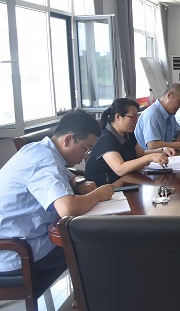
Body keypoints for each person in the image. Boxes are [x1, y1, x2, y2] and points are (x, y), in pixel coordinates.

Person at [0, 109, 115, 276]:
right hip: (15, 252)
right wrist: (98, 194)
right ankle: (90, 293)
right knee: (95, 246)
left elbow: (67, 174)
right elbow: (68, 209)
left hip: (20, 238)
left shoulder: (38, 149)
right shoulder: (45, 163)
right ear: (67, 139)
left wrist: (78, 183)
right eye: (86, 148)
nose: (85, 156)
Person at [85, 98, 176, 186]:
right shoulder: (106, 138)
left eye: (137, 117)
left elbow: (141, 154)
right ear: (118, 117)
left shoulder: (128, 133)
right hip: (105, 187)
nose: (135, 121)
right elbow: (120, 169)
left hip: (125, 181)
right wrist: (150, 157)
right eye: (132, 117)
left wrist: (162, 150)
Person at [134, 83, 180, 150]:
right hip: (149, 155)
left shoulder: (170, 114)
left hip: (165, 154)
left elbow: (179, 132)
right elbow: (153, 145)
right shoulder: (152, 115)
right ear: (169, 95)